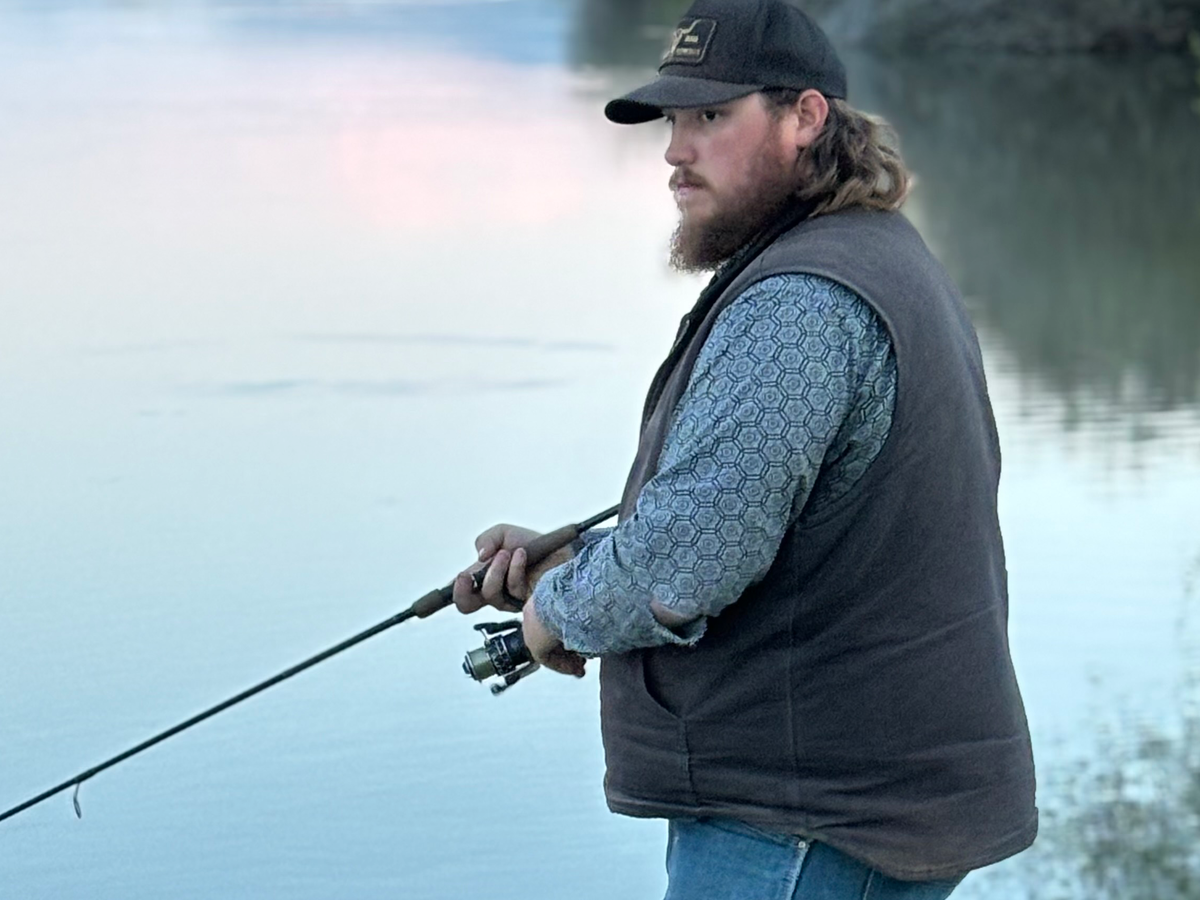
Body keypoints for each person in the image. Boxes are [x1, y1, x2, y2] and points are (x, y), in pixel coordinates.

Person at [452, 1, 1037, 897]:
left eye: (711, 117)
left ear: (805, 117)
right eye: (673, 121)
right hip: (860, 810)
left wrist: (552, 615)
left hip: (804, 825)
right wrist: (576, 563)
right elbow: (771, 533)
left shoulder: (800, 302)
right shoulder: (873, 251)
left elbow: (684, 562)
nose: (676, 151)